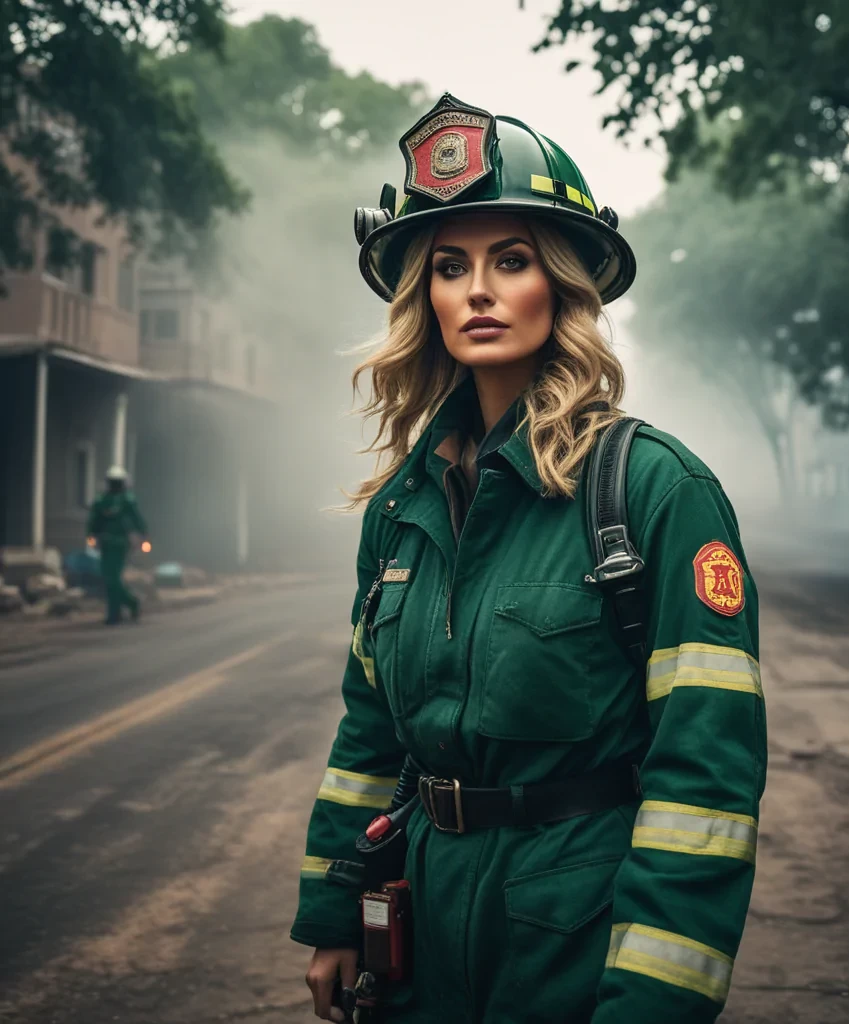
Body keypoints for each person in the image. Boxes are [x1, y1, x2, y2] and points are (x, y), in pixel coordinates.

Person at [294, 94, 766, 1024]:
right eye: (448, 267)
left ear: (561, 284)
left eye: (511, 261)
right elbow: (368, 739)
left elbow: (704, 777)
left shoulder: (656, 492)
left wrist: (654, 1001)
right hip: (422, 939)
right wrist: (334, 909)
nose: (477, 290)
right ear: (422, 299)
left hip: (574, 944)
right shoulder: (401, 507)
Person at [86, 465, 149, 625]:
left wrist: (143, 535)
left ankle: (119, 611)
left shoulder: (127, 500)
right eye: (113, 482)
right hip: (106, 543)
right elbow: (94, 522)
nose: (115, 485)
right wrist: (92, 537)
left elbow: (137, 520)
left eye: (117, 482)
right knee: (108, 578)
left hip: (120, 543)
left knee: (113, 578)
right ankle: (125, 606)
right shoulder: (102, 501)